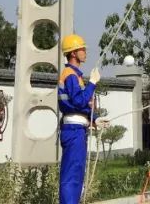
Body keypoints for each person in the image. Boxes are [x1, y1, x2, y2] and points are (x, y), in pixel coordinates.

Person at [58, 34, 101, 204]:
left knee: (76, 175)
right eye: (82, 49)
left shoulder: (74, 75)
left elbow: (79, 105)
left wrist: (95, 119)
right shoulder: (70, 74)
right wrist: (92, 84)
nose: (85, 52)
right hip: (74, 131)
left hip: (77, 130)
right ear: (73, 53)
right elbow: (78, 101)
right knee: (72, 177)